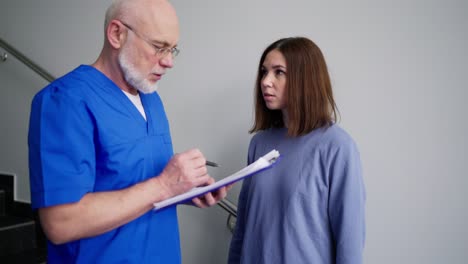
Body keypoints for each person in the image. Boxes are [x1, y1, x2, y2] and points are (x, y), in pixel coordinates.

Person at [28, 0, 229, 263]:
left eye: (173, 49)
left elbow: (136, 182)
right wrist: (165, 185)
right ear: (117, 34)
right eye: (159, 47)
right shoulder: (64, 101)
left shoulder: (150, 98)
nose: (169, 62)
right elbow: (60, 223)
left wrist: (185, 189)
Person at [228, 37, 366, 264]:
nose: (265, 81)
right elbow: (243, 225)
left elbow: (349, 243)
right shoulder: (259, 143)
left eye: (278, 72)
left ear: (305, 79)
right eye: (264, 72)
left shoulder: (337, 147)